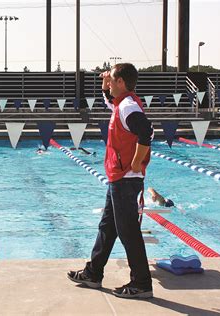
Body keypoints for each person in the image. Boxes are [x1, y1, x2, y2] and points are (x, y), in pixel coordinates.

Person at [67, 63, 154, 299]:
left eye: (112, 79)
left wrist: (136, 162)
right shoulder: (121, 103)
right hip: (118, 177)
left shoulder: (127, 106)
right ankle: (93, 273)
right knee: (107, 227)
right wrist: (105, 84)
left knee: (128, 233)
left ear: (122, 83)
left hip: (126, 179)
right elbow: (110, 102)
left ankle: (142, 283)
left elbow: (147, 131)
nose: (109, 83)